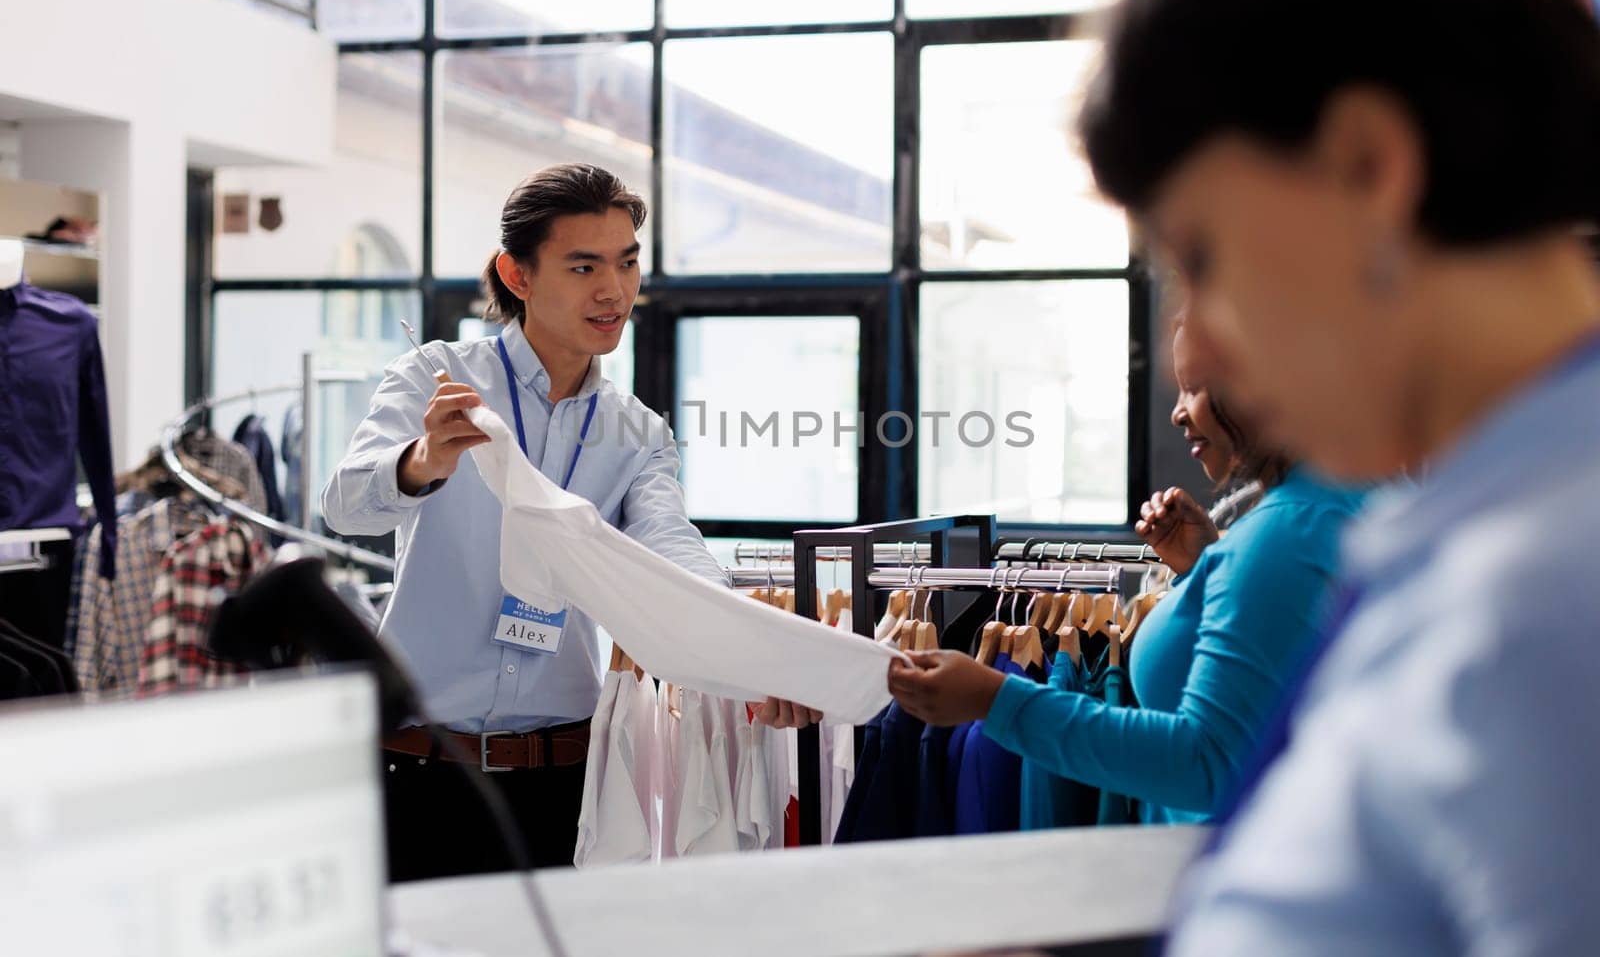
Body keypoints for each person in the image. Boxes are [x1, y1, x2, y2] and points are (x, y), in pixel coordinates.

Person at [1077, 0, 1600, 951]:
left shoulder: (1542, 593)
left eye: (1207, 258)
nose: (1204, 351)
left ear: (1368, 166)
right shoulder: (1470, 536)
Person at [323, 163, 816, 882]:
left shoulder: (636, 432)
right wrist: (423, 459)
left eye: (626, 262)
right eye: (583, 266)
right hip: (417, 769)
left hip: (563, 780)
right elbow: (345, 506)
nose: (613, 290)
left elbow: (673, 551)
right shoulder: (437, 377)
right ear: (517, 276)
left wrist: (753, 645)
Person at [885, 320, 1363, 824]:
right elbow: (1271, 697)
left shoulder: (1286, 531)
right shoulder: (1322, 506)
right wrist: (1204, 568)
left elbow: (1207, 766)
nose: (1179, 412)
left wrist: (994, 699)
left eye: (1195, 384)